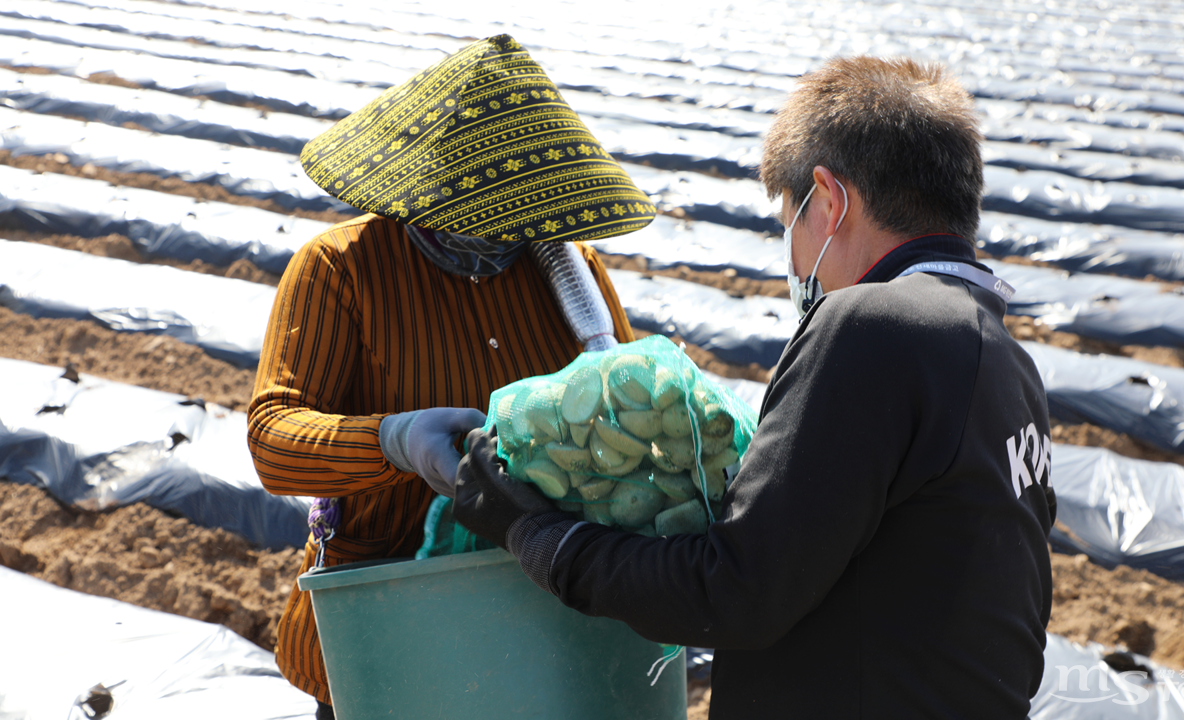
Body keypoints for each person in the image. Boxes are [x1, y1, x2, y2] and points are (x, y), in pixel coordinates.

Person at [454, 56, 1057, 718]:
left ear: (829, 201)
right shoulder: (1004, 360)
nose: (797, 263)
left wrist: (537, 536)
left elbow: (734, 593)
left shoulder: (873, 324)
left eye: (789, 224)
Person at [246, 35, 657, 717]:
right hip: (387, 613)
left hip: (540, 611)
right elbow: (273, 437)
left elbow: (630, 400)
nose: (501, 233)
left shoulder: (572, 275)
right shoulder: (340, 270)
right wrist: (393, 441)